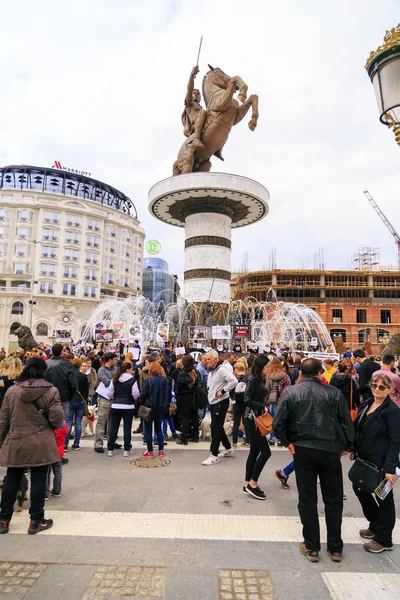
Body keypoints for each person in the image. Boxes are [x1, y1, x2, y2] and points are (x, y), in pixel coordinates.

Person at [273, 358, 355, 563]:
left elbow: (278, 423)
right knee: (334, 499)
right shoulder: (333, 393)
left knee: (307, 499)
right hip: (330, 450)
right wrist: (348, 445)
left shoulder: (291, 392)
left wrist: (287, 442)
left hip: (304, 450)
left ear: (301, 372)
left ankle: (312, 546)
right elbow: (346, 421)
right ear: (320, 372)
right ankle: (335, 547)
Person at [0, 357, 64, 534]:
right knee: (38, 480)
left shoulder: (12, 390)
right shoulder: (51, 391)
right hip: (41, 442)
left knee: (11, 479)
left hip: (16, 440)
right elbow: (57, 420)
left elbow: (3, 420)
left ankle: (3, 520)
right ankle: (36, 521)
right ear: (43, 371)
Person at [351, 372, 400, 553]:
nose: (377, 390)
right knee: (359, 488)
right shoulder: (367, 404)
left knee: (384, 498)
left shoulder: (392, 411)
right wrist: (354, 449)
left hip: (382, 462)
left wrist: (390, 468)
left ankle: (384, 538)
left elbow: (396, 441)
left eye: (381, 387)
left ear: (390, 389)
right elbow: (360, 428)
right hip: (365, 458)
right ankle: (375, 523)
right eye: (374, 386)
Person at [202, 350, 238, 466]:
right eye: (206, 359)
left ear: (216, 359)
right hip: (214, 402)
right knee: (217, 426)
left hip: (220, 402)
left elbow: (234, 381)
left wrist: (223, 391)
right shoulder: (212, 371)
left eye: (208, 359)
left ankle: (214, 455)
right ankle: (228, 448)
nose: (206, 361)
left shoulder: (221, 370)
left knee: (215, 427)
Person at [243, 355, 271, 499]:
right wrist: (262, 406)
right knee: (266, 452)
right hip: (252, 419)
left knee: (254, 451)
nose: (269, 369)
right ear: (261, 367)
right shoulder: (253, 379)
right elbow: (247, 399)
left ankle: (247, 482)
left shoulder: (260, 378)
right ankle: (252, 484)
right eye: (267, 366)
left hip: (255, 418)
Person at [106, 362, 140, 457]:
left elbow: (109, 393)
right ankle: (126, 449)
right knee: (127, 428)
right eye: (131, 369)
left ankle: (110, 448)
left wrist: (115, 397)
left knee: (114, 427)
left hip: (116, 405)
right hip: (128, 406)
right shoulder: (132, 380)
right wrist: (133, 398)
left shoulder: (115, 379)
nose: (132, 370)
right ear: (128, 369)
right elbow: (136, 393)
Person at [140, 362, 171, 457]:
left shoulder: (148, 380)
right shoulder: (165, 381)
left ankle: (150, 451)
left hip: (149, 408)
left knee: (148, 430)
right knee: (159, 429)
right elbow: (168, 395)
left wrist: (140, 402)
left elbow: (143, 395)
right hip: (160, 408)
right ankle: (161, 450)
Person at [44, 343, 77, 417]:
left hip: (48, 397)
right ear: (62, 352)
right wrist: (69, 397)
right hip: (62, 398)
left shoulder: (45, 364)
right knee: (62, 422)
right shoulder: (67, 364)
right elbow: (73, 384)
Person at [94, 352, 118, 454]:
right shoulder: (101, 370)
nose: (116, 361)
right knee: (101, 421)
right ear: (110, 360)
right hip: (104, 398)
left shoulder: (116, 369)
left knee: (112, 422)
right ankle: (98, 444)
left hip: (114, 398)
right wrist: (115, 380)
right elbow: (108, 382)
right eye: (114, 359)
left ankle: (111, 441)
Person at [64, 358, 89, 452]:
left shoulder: (68, 375)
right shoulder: (83, 376)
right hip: (80, 400)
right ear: (79, 366)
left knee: (69, 422)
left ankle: (65, 444)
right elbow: (86, 390)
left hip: (70, 400)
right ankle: (76, 443)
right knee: (78, 423)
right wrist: (85, 399)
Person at [265, 358, 291, 446]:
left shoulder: (269, 376)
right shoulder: (285, 376)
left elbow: (267, 390)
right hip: (282, 400)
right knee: (281, 421)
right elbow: (289, 387)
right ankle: (279, 439)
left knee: (272, 420)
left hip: (272, 400)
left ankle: (272, 439)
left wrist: (266, 401)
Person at [176, 355, 199, 445]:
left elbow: (178, 387)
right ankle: (195, 436)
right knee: (195, 417)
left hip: (184, 399)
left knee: (185, 418)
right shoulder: (195, 372)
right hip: (194, 397)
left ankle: (184, 438)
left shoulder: (182, 374)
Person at [231, 362, 249, 449]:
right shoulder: (248, 379)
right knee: (246, 423)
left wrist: (233, 398)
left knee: (236, 423)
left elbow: (231, 391)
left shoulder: (234, 379)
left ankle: (234, 442)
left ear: (237, 369)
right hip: (245, 404)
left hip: (236, 404)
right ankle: (247, 441)